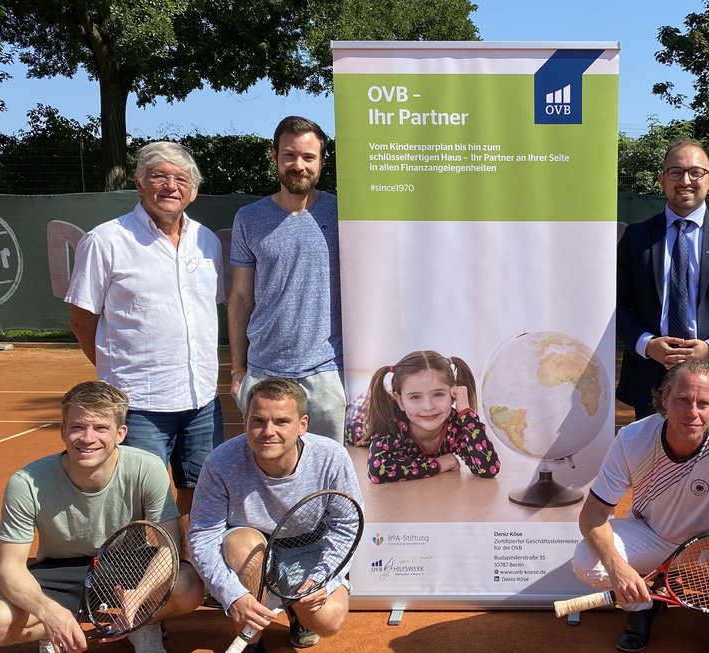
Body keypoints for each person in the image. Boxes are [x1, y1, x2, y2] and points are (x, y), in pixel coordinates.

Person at [0, 381, 203, 653]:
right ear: (62, 431)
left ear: (120, 433)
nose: (87, 438)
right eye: (78, 427)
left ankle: (141, 623)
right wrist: (49, 613)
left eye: (100, 428)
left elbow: (169, 549)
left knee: (188, 586)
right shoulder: (26, 483)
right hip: (61, 569)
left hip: (127, 563)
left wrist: (139, 596)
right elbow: (8, 568)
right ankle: (59, 625)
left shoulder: (147, 468)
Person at [65, 141, 224, 527]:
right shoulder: (105, 240)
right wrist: (118, 371)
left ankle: (190, 571)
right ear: (139, 183)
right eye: (159, 176)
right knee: (143, 503)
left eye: (181, 178)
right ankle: (147, 581)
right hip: (139, 404)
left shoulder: (208, 242)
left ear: (194, 190)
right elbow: (82, 320)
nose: (171, 186)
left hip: (201, 398)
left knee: (200, 492)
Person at [571, 360, 709, 653]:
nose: (692, 412)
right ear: (664, 399)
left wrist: (695, 549)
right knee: (586, 562)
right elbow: (592, 514)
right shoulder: (631, 438)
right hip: (651, 534)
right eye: (682, 400)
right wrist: (618, 569)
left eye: (703, 403)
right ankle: (642, 606)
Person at [187, 377, 363, 651]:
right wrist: (233, 595)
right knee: (242, 544)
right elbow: (202, 536)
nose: (268, 431)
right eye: (258, 420)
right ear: (246, 421)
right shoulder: (220, 462)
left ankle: (297, 610)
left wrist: (322, 580)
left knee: (328, 621)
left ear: (302, 425)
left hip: (307, 546)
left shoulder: (332, 457)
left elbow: (348, 523)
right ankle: (252, 643)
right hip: (250, 547)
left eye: (281, 421)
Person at [616, 139, 709, 422]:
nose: (685, 180)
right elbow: (618, 306)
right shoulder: (635, 238)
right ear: (661, 179)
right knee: (651, 466)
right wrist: (648, 344)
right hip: (651, 380)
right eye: (675, 172)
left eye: (695, 172)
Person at [228, 115, 346, 441]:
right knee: (268, 478)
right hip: (264, 372)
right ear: (274, 156)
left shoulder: (344, 214)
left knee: (332, 477)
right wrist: (239, 370)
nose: (299, 165)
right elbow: (240, 296)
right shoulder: (249, 218)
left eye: (309, 157)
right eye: (289, 155)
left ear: (322, 161)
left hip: (328, 375)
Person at [359, 350, 500, 483]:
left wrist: (465, 411)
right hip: (359, 417)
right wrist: (437, 464)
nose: (428, 407)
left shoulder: (455, 426)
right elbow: (377, 471)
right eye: (415, 397)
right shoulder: (392, 422)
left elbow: (489, 468)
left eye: (438, 394)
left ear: (452, 394)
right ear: (400, 401)